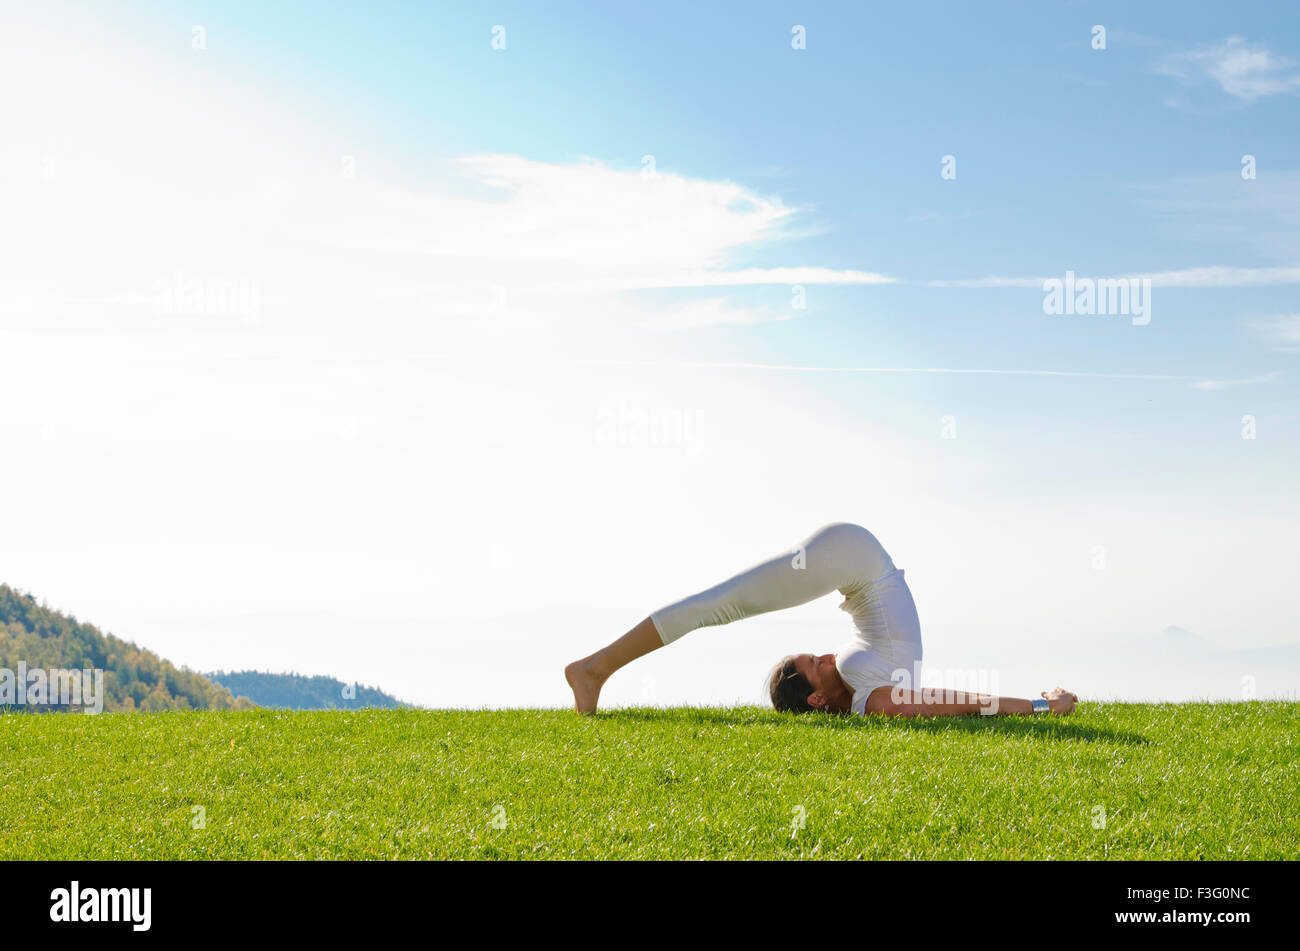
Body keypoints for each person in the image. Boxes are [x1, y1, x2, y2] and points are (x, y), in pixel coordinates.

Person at [564, 522, 1078, 717]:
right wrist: (1040, 705)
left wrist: (1040, 705)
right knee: (721, 605)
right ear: (816, 696)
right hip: (854, 558)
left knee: (724, 605)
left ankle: (595, 669)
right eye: (816, 662)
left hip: (852, 560)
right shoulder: (876, 702)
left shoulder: (862, 691)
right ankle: (593, 669)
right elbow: (966, 703)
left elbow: (965, 704)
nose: (827, 654)